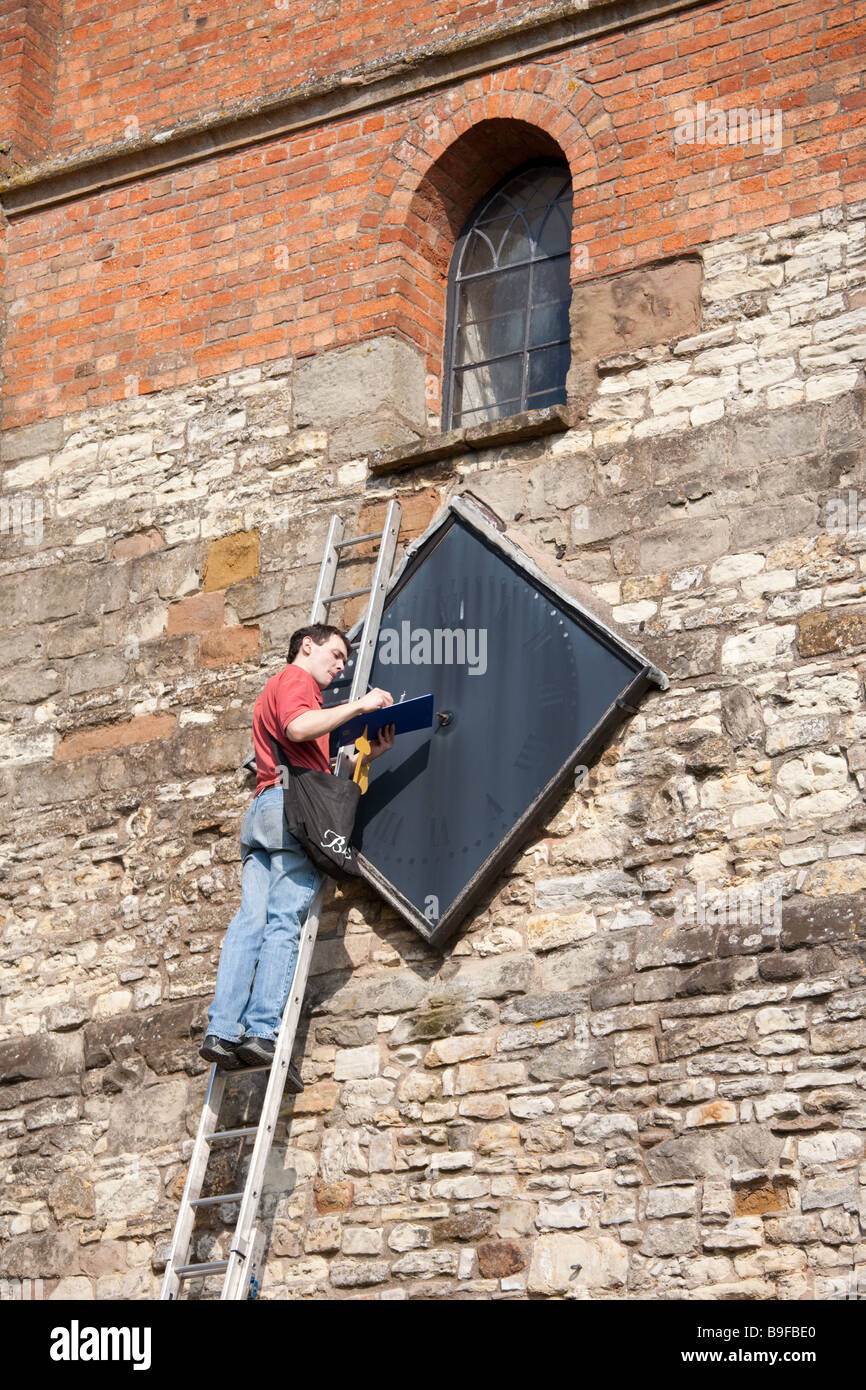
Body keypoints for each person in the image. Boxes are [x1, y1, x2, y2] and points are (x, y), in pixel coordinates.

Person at [200, 623, 394, 1077]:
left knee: (251, 921)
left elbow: (315, 762)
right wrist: (361, 704)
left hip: (264, 810)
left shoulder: (284, 689)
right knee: (284, 920)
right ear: (307, 646)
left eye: (346, 660)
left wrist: (367, 757)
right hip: (289, 813)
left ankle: (222, 1029)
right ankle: (262, 1031)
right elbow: (298, 726)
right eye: (337, 654)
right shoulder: (296, 681)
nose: (341, 665)